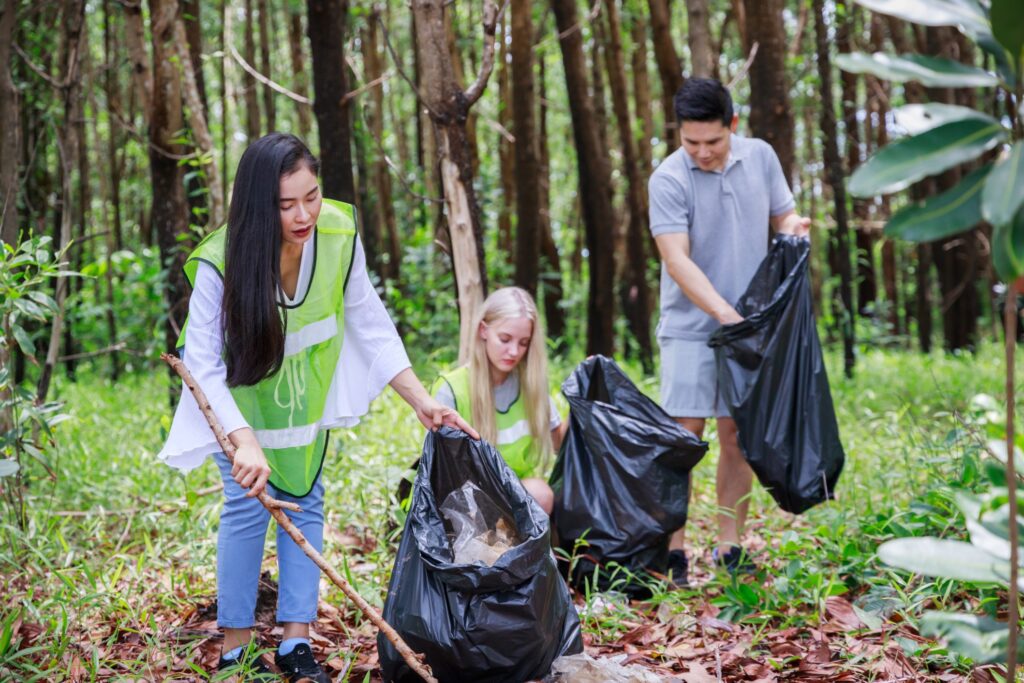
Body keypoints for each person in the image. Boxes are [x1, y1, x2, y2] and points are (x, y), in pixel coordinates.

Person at [157, 133, 476, 681]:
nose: (304, 214)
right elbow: (203, 364)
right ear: (259, 206)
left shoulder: (336, 232)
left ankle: (295, 643)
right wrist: (244, 440)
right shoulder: (220, 260)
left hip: (303, 412)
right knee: (245, 511)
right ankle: (235, 648)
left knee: (306, 503)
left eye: (312, 195)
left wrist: (422, 400)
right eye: (287, 205)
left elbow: (370, 323)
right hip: (241, 417)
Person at [648, 78, 810, 586]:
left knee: (735, 435)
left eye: (712, 142)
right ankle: (673, 551)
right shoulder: (668, 178)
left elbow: (782, 214)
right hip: (690, 327)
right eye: (690, 141)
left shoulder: (760, 157)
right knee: (683, 437)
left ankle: (729, 547)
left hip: (751, 326)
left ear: (732, 127)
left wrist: (793, 230)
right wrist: (724, 314)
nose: (701, 152)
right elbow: (676, 259)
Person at [434, 287, 567, 514]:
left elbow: (561, 447)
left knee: (541, 493)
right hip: (467, 502)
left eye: (523, 343)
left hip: (518, 499)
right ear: (483, 331)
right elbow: (441, 471)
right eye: (505, 339)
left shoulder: (532, 388)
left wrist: (583, 400)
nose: (514, 352)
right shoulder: (451, 389)